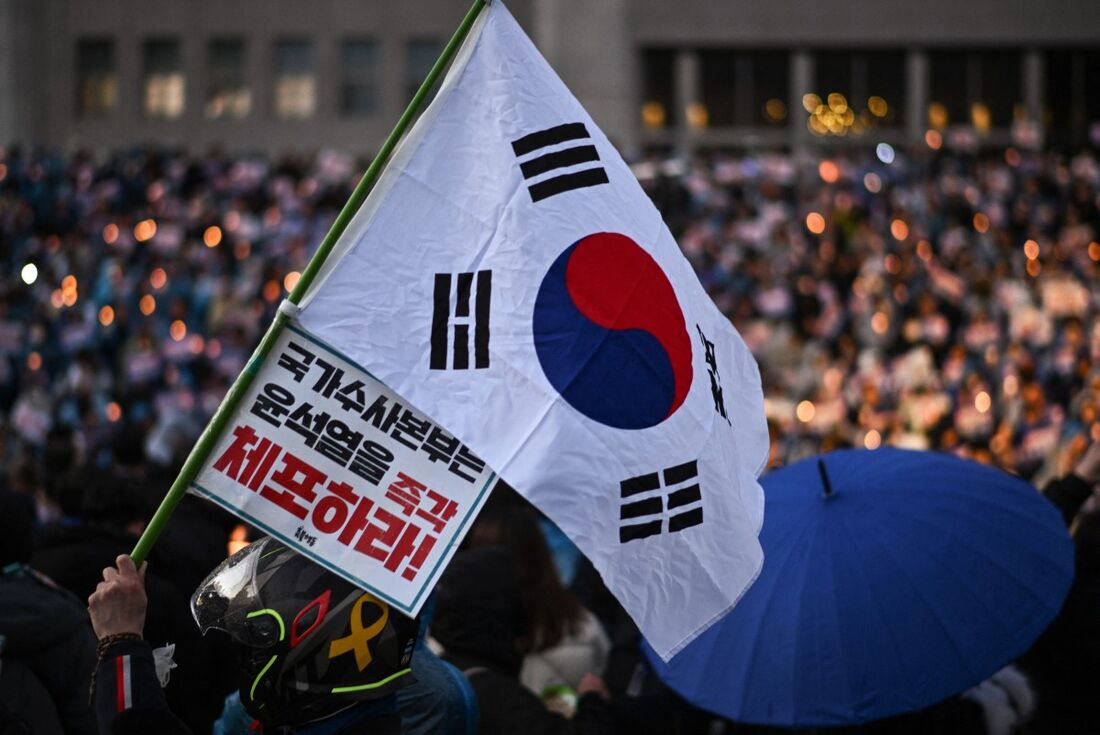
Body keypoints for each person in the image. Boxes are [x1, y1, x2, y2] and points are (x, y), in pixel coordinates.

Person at [432, 546, 615, 735]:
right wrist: (593, 702)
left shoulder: (438, 676)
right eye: (514, 595)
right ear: (499, 609)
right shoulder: (498, 699)